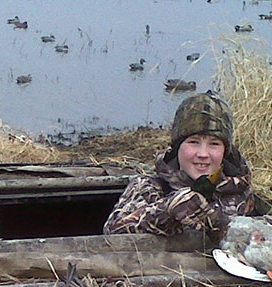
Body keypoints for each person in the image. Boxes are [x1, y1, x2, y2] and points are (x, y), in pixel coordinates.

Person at [103, 90, 255, 236]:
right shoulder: (147, 188)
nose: (202, 154)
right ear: (177, 148)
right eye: (193, 142)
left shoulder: (238, 190)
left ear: (225, 152)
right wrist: (166, 211)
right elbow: (112, 233)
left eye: (214, 144)